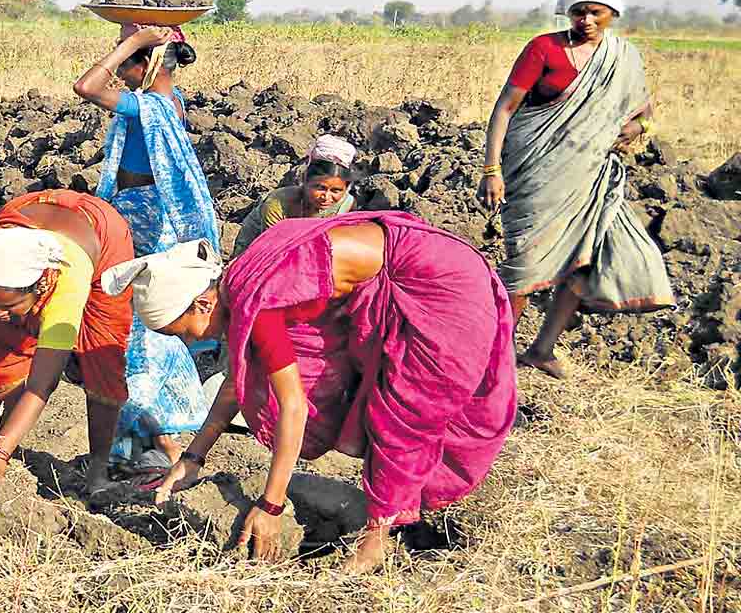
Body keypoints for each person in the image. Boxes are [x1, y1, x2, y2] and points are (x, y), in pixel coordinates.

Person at [103, 211, 517, 572]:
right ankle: (394, 515)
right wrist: (194, 457)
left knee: (404, 411)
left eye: (181, 333)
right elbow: (238, 378)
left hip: (437, 287)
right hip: (412, 271)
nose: (190, 345)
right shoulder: (243, 289)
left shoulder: (258, 302)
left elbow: (293, 408)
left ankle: (376, 541)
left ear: (202, 305)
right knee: (377, 401)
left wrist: (270, 505)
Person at [477, 0, 672, 379]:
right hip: (534, 172)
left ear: (612, 14)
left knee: (585, 264)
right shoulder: (543, 49)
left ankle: (541, 350)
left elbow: (645, 116)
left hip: (591, 174)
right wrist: (491, 169)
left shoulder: (622, 58)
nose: (585, 20)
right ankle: (496, 356)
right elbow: (504, 110)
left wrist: (632, 131)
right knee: (523, 267)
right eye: (578, 12)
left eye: (595, 12)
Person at [0, 190, 134, 498]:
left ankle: (98, 471)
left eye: (7, 306)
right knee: (6, 357)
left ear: (41, 286)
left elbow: (42, 384)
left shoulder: (64, 286)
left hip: (100, 234)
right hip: (28, 212)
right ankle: (4, 450)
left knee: (102, 362)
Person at [72, 24, 217, 479]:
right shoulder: (170, 104)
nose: (120, 67)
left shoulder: (145, 107)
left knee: (136, 330)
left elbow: (86, 86)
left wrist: (131, 44)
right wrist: (137, 44)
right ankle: (152, 442)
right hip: (150, 220)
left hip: (145, 226)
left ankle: (160, 442)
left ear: (146, 64)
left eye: (127, 60)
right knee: (146, 328)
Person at [233, 135, 359, 254]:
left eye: (336, 191)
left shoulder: (347, 206)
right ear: (304, 180)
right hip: (259, 248)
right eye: (320, 188)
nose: (326, 197)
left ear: (346, 188)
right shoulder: (278, 203)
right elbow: (272, 248)